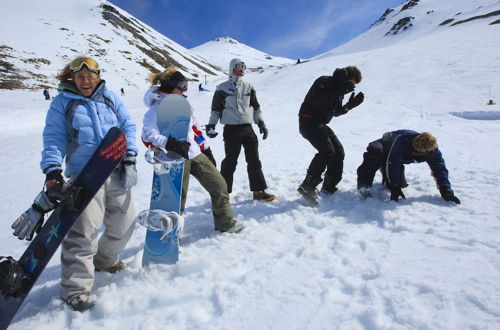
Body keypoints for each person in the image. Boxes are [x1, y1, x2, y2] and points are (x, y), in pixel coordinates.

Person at [12, 56, 139, 311]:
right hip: (85, 175)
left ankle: (104, 260)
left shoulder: (110, 97)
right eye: (80, 76)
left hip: (115, 168)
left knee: (125, 223)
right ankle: (76, 289)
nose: (85, 80)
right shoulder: (63, 102)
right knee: (84, 232)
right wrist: (52, 171)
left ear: (98, 76)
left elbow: (128, 125)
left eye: (90, 76)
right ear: (72, 78)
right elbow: (54, 137)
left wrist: (131, 156)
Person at [141, 67, 243, 233]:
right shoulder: (155, 109)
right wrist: (170, 143)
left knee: (219, 186)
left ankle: (225, 224)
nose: (185, 89)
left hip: (195, 154)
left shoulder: (184, 104)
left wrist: (206, 148)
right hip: (174, 160)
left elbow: (195, 129)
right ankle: (171, 235)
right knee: (177, 200)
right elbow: (147, 136)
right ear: (171, 86)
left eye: (186, 85)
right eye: (182, 85)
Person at [206, 58, 276, 202]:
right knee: (230, 162)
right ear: (232, 69)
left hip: (247, 128)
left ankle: (258, 191)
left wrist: (261, 123)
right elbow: (215, 110)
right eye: (238, 68)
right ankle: (223, 194)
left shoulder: (249, 87)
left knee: (254, 160)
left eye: (243, 69)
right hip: (231, 130)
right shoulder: (221, 88)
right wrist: (211, 125)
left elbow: (256, 108)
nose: (241, 71)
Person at [297, 66, 364, 204]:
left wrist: (349, 105)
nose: (351, 86)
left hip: (319, 123)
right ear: (346, 77)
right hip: (308, 120)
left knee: (338, 152)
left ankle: (328, 187)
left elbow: (335, 112)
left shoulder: (339, 90)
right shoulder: (325, 81)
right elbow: (317, 100)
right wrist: (339, 90)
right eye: (351, 82)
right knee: (327, 152)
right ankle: (307, 186)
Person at [356, 130, 461, 204]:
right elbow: (393, 162)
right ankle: (364, 186)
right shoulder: (403, 141)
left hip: (398, 157)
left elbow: (440, 169)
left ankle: (385, 171)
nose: (414, 152)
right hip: (384, 145)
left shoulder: (433, 152)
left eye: (418, 153)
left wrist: (445, 189)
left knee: (400, 184)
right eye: (413, 150)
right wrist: (394, 185)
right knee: (374, 155)